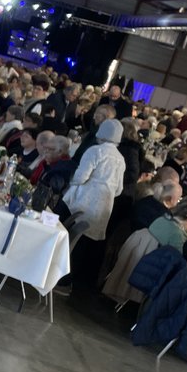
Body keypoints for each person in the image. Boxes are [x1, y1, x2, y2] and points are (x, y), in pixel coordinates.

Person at [63, 119, 127, 288]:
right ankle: (71, 281)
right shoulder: (121, 159)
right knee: (84, 243)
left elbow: (81, 177)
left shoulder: (95, 151)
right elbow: (119, 189)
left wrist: (73, 183)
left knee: (70, 238)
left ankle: (60, 276)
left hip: (84, 200)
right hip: (104, 206)